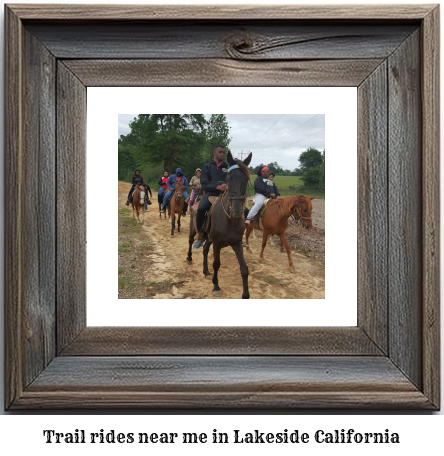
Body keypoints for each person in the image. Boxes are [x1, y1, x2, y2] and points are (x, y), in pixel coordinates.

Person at [193, 145, 228, 249]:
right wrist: (218, 187)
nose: (222, 154)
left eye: (223, 152)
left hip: (225, 195)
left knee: (242, 210)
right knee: (201, 208)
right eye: (220, 152)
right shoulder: (207, 166)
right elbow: (204, 184)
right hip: (210, 194)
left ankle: (237, 237)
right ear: (214, 153)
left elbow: (231, 180)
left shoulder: (227, 168)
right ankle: (200, 235)